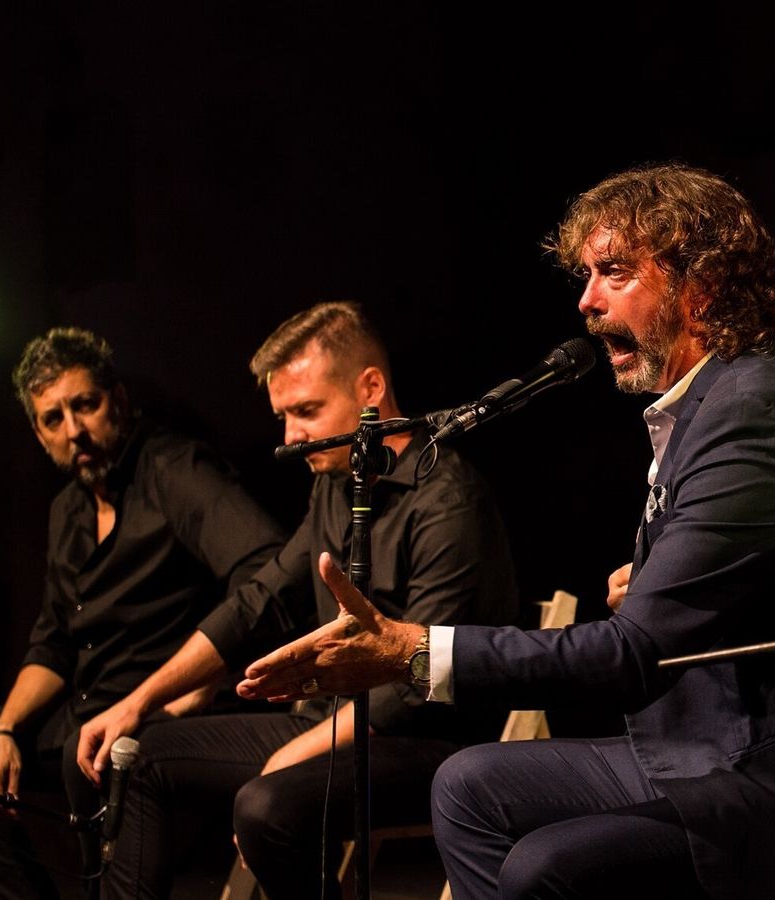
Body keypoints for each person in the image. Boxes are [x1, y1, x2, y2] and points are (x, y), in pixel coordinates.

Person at [236, 164, 775, 898]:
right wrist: (656, 584)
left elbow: (632, 653)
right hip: (708, 744)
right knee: (468, 785)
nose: (586, 301)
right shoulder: (708, 404)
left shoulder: (756, 409)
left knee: (544, 867)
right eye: (586, 275)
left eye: (613, 273)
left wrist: (410, 651)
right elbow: (738, 588)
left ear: (698, 284)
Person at [73, 302, 521, 899]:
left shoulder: (446, 500)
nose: (290, 436)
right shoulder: (334, 486)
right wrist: (139, 700)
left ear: (371, 387)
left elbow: (416, 682)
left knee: (265, 807)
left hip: (430, 741)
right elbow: (258, 602)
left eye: (307, 411)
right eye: (283, 415)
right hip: (332, 724)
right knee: (137, 754)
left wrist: (290, 754)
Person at [0, 327, 286, 899]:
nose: (75, 430)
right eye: (53, 418)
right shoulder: (67, 510)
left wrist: (209, 680)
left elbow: (265, 570)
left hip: (154, 713)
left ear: (117, 398)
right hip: (85, 707)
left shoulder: (174, 471)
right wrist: (4, 730)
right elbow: (54, 644)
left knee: (83, 751)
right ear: (38, 433)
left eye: (84, 405)